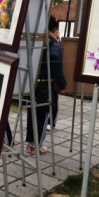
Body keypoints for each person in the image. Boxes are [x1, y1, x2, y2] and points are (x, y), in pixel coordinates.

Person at [26, 15, 67, 155]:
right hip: (46, 85)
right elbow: (56, 66)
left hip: (32, 82)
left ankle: (30, 144)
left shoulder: (36, 40)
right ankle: (36, 146)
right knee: (43, 115)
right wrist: (62, 84)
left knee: (32, 113)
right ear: (54, 28)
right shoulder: (52, 44)